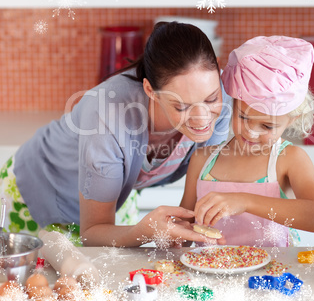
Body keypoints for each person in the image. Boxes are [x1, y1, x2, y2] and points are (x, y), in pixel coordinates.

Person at [0, 21, 232, 247]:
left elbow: (200, 184)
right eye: (182, 107)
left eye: (211, 99)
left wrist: (183, 230)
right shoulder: (108, 115)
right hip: (37, 189)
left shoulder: (219, 95)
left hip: (114, 200)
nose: (202, 118)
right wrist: (145, 233)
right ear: (150, 91)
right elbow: (92, 233)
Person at [180, 35, 314, 247]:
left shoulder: (289, 160)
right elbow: (184, 230)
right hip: (212, 277)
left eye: (267, 126)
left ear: (291, 120)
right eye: (243, 117)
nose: (251, 133)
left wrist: (244, 201)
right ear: (233, 104)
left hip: (273, 276)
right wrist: (177, 233)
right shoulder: (202, 161)